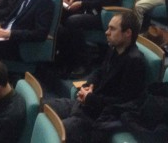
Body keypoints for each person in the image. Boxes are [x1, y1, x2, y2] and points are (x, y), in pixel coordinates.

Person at [48, 12, 146, 143]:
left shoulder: (135, 62)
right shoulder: (114, 48)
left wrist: (90, 98)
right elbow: (99, 72)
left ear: (127, 33)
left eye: (112, 29)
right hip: (88, 104)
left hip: (99, 116)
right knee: (45, 106)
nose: (106, 32)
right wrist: (88, 85)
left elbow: (124, 102)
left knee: (54, 131)